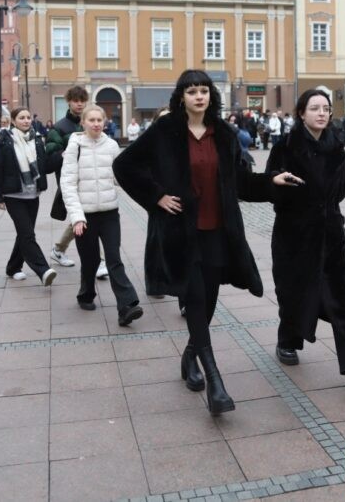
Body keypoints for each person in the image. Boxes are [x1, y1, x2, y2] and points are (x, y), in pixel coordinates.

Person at [114, 69, 295, 415]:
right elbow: (124, 165)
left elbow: (240, 183)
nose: (198, 96)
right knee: (195, 297)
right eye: (191, 91)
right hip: (181, 233)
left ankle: (188, 357)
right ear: (181, 97)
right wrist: (156, 197)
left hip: (218, 232)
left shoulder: (225, 134)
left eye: (203, 91)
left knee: (207, 300)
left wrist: (273, 180)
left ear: (211, 96)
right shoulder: (165, 132)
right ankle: (215, 382)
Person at [267, 89, 345, 389]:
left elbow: (343, 186)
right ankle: (287, 339)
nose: (321, 113)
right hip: (295, 235)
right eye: (314, 108)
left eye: (326, 108)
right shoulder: (285, 146)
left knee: (341, 298)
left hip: (330, 234)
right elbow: (272, 185)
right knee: (294, 292)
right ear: (301, 113)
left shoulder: (336, 146)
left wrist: (324, 207)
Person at [60, 104, 143, 326]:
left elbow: (120, 176)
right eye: (92, 120)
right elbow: (67, 183)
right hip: (85, 216)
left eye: (100, 120)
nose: (96, 124)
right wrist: (77, 217)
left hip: (109, 213)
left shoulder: (112, 145)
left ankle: (127, 306)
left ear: (105, 122)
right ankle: (85, 294)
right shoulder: (74, 146)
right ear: (83, 122)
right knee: (90, 261)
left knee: (114, 259)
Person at [0, 107, 63, 285]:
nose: (26, 120)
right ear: (13, 121)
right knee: (28, 234)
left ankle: (13, 267)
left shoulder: (36, 140)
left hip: (33, 195)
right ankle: (43, 270)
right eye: (21, 118)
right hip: (13, 195)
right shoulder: (4, 141)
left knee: (24, 234)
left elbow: (44, 166)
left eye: (28, 117)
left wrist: (62, 156)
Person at [45, 86, 87, 270]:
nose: (79, 104)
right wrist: (65, 154)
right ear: (68, 102)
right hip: (70, 180)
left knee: (84, 217)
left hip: (90, 177)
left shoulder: (89, 122)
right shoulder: (59, 127)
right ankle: (100, 261)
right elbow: (50, 160)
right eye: (76, 100)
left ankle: (58, 249)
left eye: (82, 100)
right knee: (87, 216)